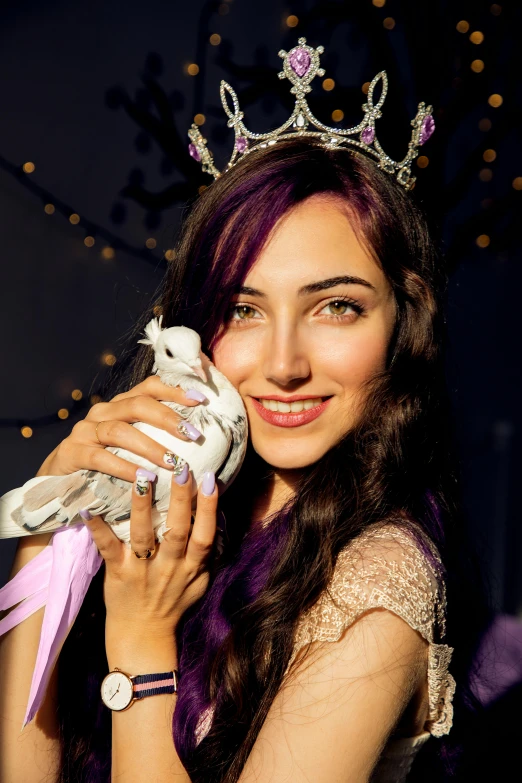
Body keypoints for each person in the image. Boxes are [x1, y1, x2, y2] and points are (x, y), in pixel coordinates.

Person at [0, 137, 485, 782]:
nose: (284, 366)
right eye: (243, 310)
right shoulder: (183, 513)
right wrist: (56, 519)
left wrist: (142, 645)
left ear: (404, 318)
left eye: (336, 307)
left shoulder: (379, 582)